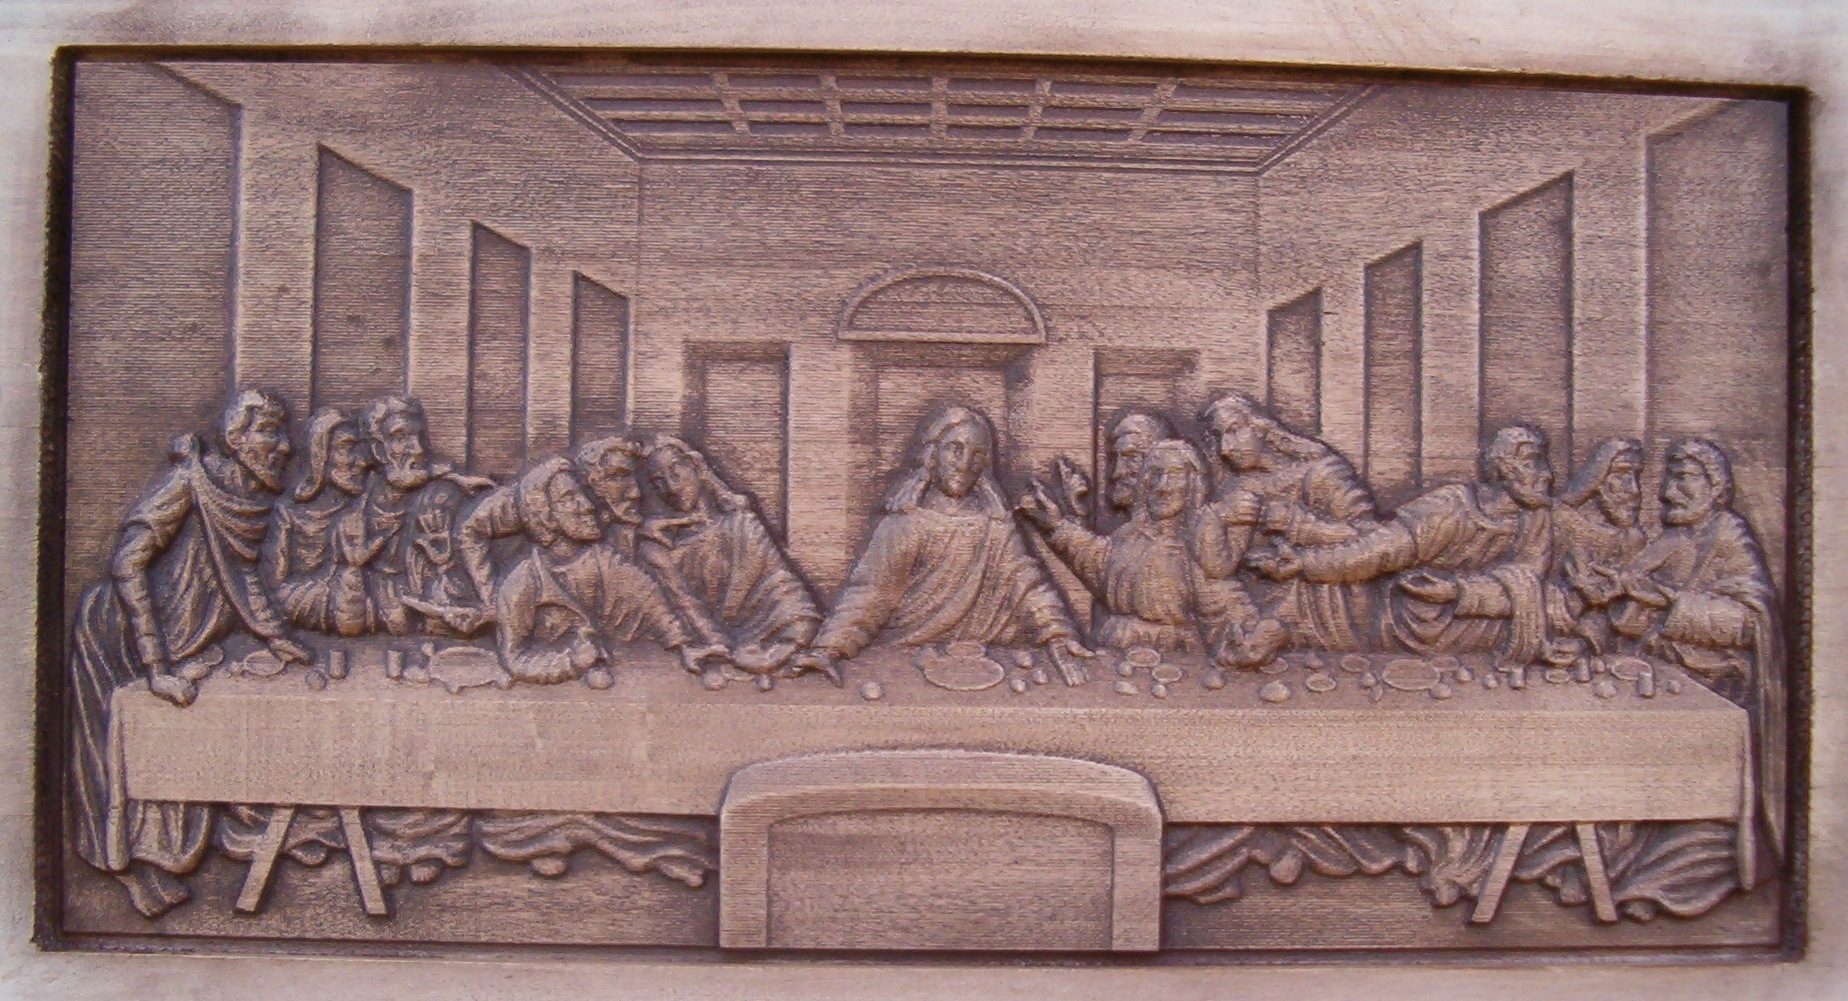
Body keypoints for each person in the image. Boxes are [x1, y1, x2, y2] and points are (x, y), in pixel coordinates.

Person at [67, 390, 313, 917]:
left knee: (178, 750)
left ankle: (160, 866)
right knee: (120, 758)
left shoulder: (245, 496)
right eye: (270, 430)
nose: (285, 446)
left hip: (188, 642)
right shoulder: (187, 482)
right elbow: (127, 564)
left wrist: (276, 636)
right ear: (237, 438)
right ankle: (125, 873)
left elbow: (241, 572)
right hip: (124, 636)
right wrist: (156, 668)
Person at [793, 405, 1093, 684]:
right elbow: (870, 594)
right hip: (908, 660)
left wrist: (1058, 634)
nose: (965, 464)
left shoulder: (996, 526)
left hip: (990, 662)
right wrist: (827, 648)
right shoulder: (905, 523)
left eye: (977, 454)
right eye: (955, 449)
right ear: (932, 454)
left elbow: (1027, 584)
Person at [1613, 439, 1785, 876]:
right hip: (1661, 680)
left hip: (1718, 686)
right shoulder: (1671, 539)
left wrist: (1671, 603)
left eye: (1684, 479)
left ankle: (1658, 868)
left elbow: (1751, 622)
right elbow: (1634, 613)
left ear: (1716, 487)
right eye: (1669, 480)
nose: (1668, 492)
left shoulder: (1729, 537)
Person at [1252, 425, 1558, 664]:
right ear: (1501, 468)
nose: (1547, 475)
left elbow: (1530, 587)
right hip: (1410, 621)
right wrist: (1305, 562)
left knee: (1557, 607)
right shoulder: (1448, 508)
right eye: (1531, 463)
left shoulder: (1535, 518)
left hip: (1477, 620)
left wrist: (1458, 591)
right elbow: (1376, 553)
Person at [1020, 438, 1282, 665]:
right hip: (1113, 655)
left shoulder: (1196, 543)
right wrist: (1057, 527)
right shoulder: (1130, 535)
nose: (1163, 486)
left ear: (1193, 484)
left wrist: (1262, 635)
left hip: (1171, 661)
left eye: (1174, 475)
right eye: (1156, 475)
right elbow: (1100, 562)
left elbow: (1225, 603)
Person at [493, 458, 720, 686]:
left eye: (582, 495)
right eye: (570, 499)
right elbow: (514, 657)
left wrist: (684, 647)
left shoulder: (605, 561)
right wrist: (570, 663)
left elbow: (651, 602)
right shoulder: (523, 582)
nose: (587, 506)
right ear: (545, 516)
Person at [1198, 392, 1381, 652]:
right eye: (1218, 438)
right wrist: (1216, 519)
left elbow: (1374, 539)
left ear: (1261, 428)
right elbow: (1224, 567)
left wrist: (1300, 526)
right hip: (1267, 604)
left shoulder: (1322, 473)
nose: (1226, 448)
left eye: (1234, 431)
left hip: (1333, 605)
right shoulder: (1238, 488)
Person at [636, 435, 821, 689]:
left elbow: (781, 587)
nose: (671, 486)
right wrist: (720, 646)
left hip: (766, 642)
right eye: (658, 482)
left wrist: (791, 641)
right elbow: (683, 604)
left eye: (676, 471)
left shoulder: (742, 526)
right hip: (716, 647)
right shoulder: (660, 547)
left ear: (696, 468)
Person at [459, 435, 648, 607]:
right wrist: (493, 598)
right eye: (618, 477)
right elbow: (471, 529)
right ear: (592, 478)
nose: (635, 493)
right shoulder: (546, 485)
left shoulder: (613, 511)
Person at [263, 407, 377, 636]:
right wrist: (328, 597)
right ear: (320, 454)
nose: (363, 461)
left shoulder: (366, 510)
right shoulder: (288, 514)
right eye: (347, 447)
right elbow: (274, 594)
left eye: (361, 448)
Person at [1549, 438, 1650, 655]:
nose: (1634, 489)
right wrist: (1574, 594)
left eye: (1636, 476)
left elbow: (1625, 611)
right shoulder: (1556, 521)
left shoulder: (1632, 538)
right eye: (1621, 475)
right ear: (1595, 478)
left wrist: (1584, 640)